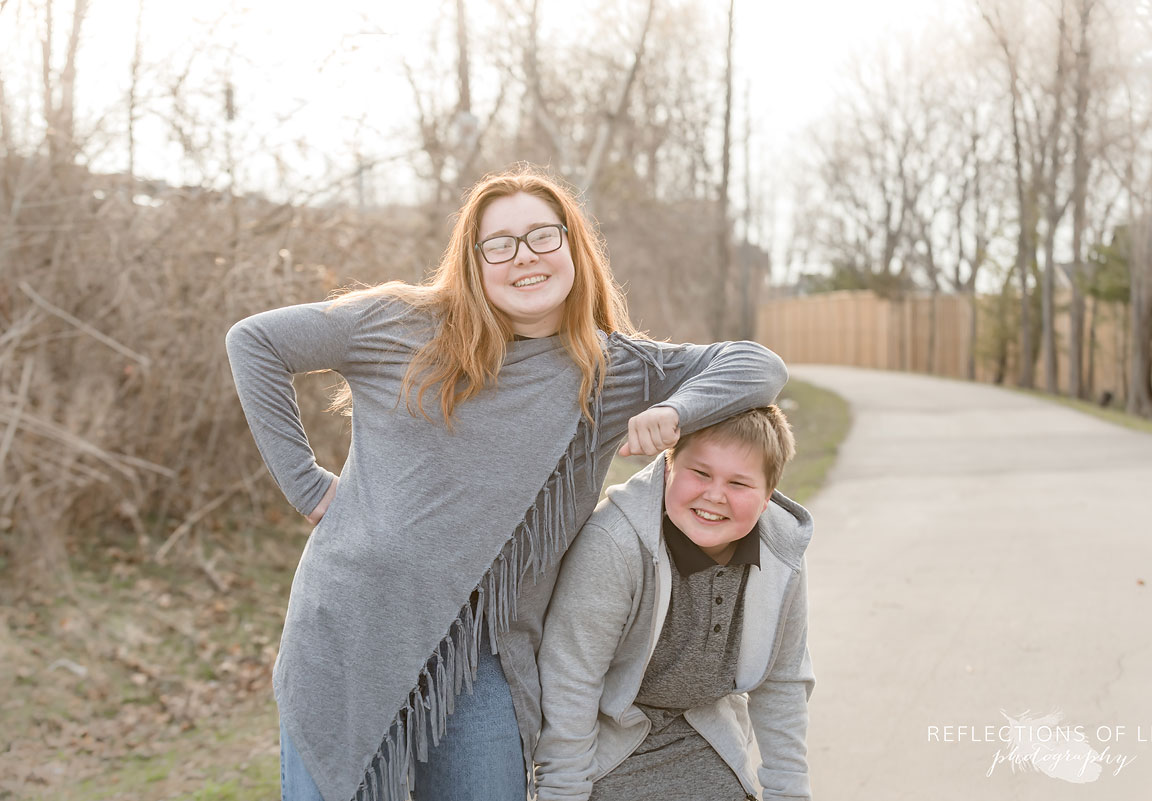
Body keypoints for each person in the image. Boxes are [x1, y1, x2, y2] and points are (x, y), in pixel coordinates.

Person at [224, 165, 788, 801]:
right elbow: (255, 342)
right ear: (474, 260)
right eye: (500, 244)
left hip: (482, 657)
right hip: (352, 634)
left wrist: (674, 412)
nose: (524, 257)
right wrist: (308, 488)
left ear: (574, 246)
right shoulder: (399, 324)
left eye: (543, 237)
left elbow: (756, 364)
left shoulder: (610, 372)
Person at [535, 406, 815, 801]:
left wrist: (789, 794)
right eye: (700, 473)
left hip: (709, 740)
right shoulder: (614, 544)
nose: (714, 495)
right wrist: (562, 793)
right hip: (611, 750)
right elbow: (571, 682)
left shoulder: (781, 555)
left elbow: (782, 681)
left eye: (739, 483)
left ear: (768, 497)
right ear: (668, 467)